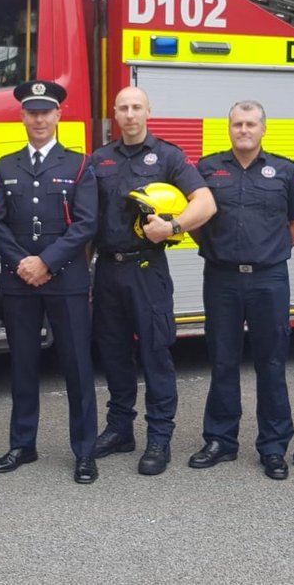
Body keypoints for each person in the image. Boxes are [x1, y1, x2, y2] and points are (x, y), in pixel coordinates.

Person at [90, 86, 216, 475]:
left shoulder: (168, 156)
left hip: (148, 270)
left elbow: (206, 203)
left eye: (136, 108)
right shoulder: (99, 159)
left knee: (155, 354)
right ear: (114, 114)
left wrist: (174, 226)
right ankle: (119, 429)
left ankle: (159, 437)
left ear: (148, 112)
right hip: (108, 269)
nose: (129, 114)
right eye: (123, 108)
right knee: (112, 354)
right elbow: (87, 220)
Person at [188, 101, 294, 480]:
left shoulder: (286, 171)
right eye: (237, 124)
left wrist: (270, 253)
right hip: (222, 278)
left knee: (272, 363)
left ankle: (274, 447)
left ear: (263, 130)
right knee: (223, 361)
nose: (243, 130)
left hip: (269, 280)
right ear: (228, 128)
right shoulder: (207, 169)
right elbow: (195, 218)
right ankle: (220, 441)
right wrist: (214, 248)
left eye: (250, 124)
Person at [0, 80, 100, 484]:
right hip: (20, 281)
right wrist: (24, 263)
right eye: (31, 112)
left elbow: (86, 223)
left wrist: (46, 262)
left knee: (77, 367)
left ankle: (85, 451)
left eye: (45, 111)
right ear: (22, 116)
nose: (38, 119)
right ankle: (22, 444)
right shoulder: (5, 165)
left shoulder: (79, 164)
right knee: (22, 364)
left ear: (58, 115)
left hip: (64, 279)